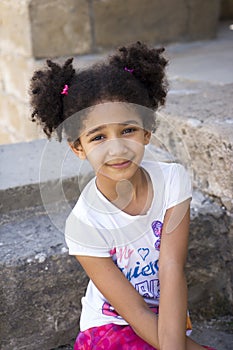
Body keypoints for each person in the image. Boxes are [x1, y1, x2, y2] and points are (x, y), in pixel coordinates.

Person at [30, 42, 216, 350]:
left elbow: (171, 268)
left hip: (165, 318)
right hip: (110, 329)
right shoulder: (84, 223)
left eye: (127, 130)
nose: (116, 149)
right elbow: (134, 311)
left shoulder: (172, 181)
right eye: (98, 137)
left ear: (146, 132)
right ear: (79, 148)